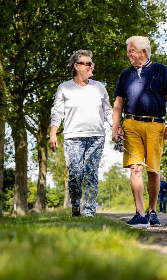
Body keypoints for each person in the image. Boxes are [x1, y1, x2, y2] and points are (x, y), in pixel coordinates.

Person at [112, 36, 167, 227]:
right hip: (131, 124)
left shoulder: (160, 70)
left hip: (156, 125)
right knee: (135, 167)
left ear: (143, 52)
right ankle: (139, 213)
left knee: (153, 170)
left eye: (131, 50)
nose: (128, 54)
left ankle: (152, 212)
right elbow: (118, 103)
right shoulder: (125, 74)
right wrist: (115, 128)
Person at [50, 50, 113, 218]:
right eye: (87, 63)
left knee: (91, 173)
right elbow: (57, 112)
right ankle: (76, 204)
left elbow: (108, 111)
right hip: (73, 137)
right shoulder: (64, 88)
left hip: (96, 136)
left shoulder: (99, 87)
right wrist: (53, 133)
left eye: (92, 63)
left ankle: (90, 212)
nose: (91, 66)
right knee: (75, 173)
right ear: (76, 66)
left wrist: (115, 127)